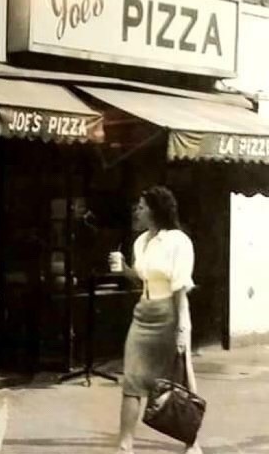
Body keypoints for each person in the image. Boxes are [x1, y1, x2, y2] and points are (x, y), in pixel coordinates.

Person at [110, 186, 201, 454]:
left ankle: (192, 442)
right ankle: (124, 445)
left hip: (169, 312)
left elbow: (180, 288)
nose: (136, 211)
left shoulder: (178, 241)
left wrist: (182, 327)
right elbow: (142, 278)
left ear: (155, 210)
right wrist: (125, 268)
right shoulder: (140, 242)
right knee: (132, 379)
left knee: (179, 379)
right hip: (143, 312)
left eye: (141, 206)